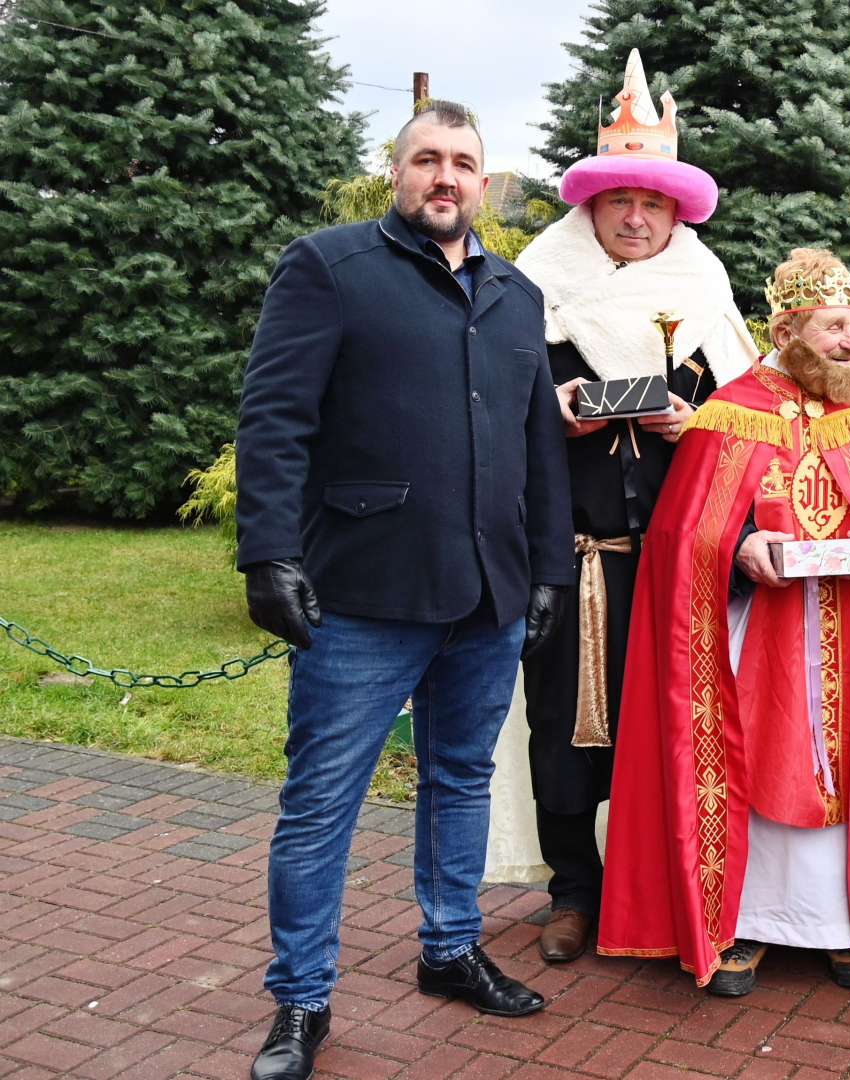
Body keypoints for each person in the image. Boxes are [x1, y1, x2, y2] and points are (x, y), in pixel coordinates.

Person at [233, 100, 573, 1080]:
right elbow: (274, 417)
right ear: (397, 171)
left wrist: (548, 568)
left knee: (460, 778)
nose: (445, 176)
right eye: (427, 158)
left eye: (463, 162)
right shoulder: (329, 267)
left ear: (483, 182)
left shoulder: (516, 293)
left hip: (488, 596)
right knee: (321, 803)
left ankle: (450, 948)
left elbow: (538, 445)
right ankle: (301, 999)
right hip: (364, 591)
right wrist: (268, 553)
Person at [595, 249, 850, 995]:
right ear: (786, 330)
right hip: (756, 639)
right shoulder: (728, 412)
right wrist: (739, 546)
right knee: (755, 762)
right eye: (835, 327)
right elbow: (683, 532)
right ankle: (745, 923)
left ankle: (847, 927)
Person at [481, 49, 757, 964]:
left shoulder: (708, 303)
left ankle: (667, 885)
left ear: (677, 214)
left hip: (682, 564)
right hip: (572, 557)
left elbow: (757, 434)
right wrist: (545, 413)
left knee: (675, 728)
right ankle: (574, 891)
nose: (636, 218)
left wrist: (699, 425)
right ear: (590, 206)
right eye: (619, 201)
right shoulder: (526, 294)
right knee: (565, 729)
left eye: (653, 204)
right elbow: (481, 414)